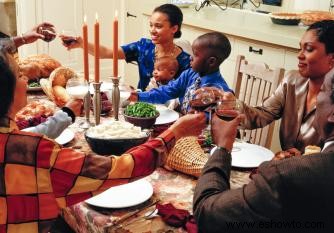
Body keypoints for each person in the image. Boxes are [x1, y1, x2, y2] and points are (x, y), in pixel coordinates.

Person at [0, 49, 206, 233]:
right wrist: (174, 133)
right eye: (19, 74)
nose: (26, 79)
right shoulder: (31, 152)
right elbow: (117, 170)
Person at [193, 65, 334, 233]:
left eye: (322, 91)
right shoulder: (292, 81)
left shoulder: (284, 175)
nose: (317, 97)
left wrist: (222, 148)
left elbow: (208, 213)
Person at [226, 20, 334, 154]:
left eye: (309, 49)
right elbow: (262, 115)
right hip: (286, 168)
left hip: (318, 172)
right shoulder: (292, 81)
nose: (299, 55)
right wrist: (232, 105)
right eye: (300, 48)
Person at [61, 4, 191, 91]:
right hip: (141, 107)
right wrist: (81, 43)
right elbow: (106, 52)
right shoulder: (144, 47)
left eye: (158, 26)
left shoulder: (185, 61)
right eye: (150, 25)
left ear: (174, 28)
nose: (152, 30)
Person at [0, 23, 81, 139]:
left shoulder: (7, 130)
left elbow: (25, 135)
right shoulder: (13, 142)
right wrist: (66, 115)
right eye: (19, 75)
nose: (26, 78)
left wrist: (22, 39)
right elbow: (27, 140)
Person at [128, 32, 233, 114]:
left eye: (195, 55)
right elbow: (167, 91)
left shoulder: (219, 91)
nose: (190, 57)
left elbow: (214, 122)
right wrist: (139, 96)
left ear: (211, 61)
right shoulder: (189, 74)